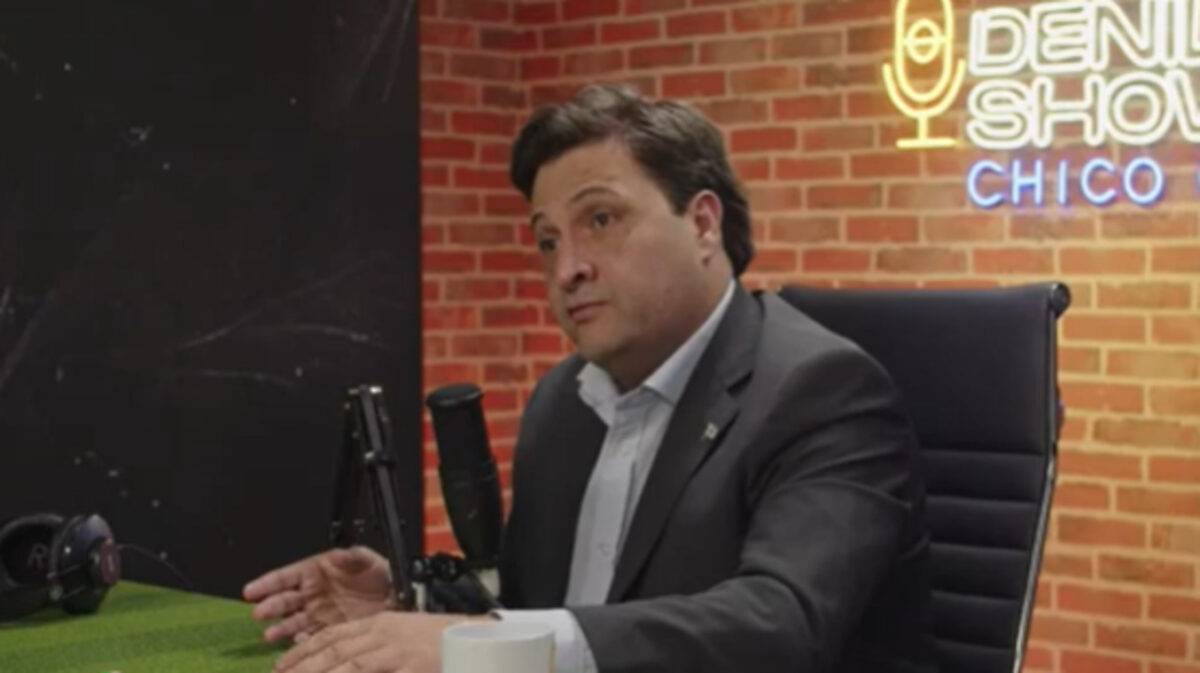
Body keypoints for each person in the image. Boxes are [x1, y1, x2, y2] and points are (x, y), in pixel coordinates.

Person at [245, 84, 937, 673]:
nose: (567, 267)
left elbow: (780, 624)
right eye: (548, 240)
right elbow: (538, 608)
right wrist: (413, 607)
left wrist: (479, 646)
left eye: (601, 220)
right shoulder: (563, 402)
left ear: (702, 224)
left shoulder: (822, 390)